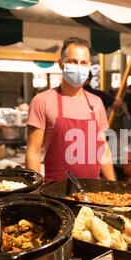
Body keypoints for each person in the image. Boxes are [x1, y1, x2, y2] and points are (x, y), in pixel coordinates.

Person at [26, 37, 116, 182]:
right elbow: (33, 151)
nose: (79, 67)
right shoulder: (42, 101)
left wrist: (113, 186)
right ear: (61, 63)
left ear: (89, 66)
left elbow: (103, 150)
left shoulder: (96, 103)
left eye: (84, 63)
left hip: (93, 191)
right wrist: (33, 192)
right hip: (55, 193)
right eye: (73, 61)